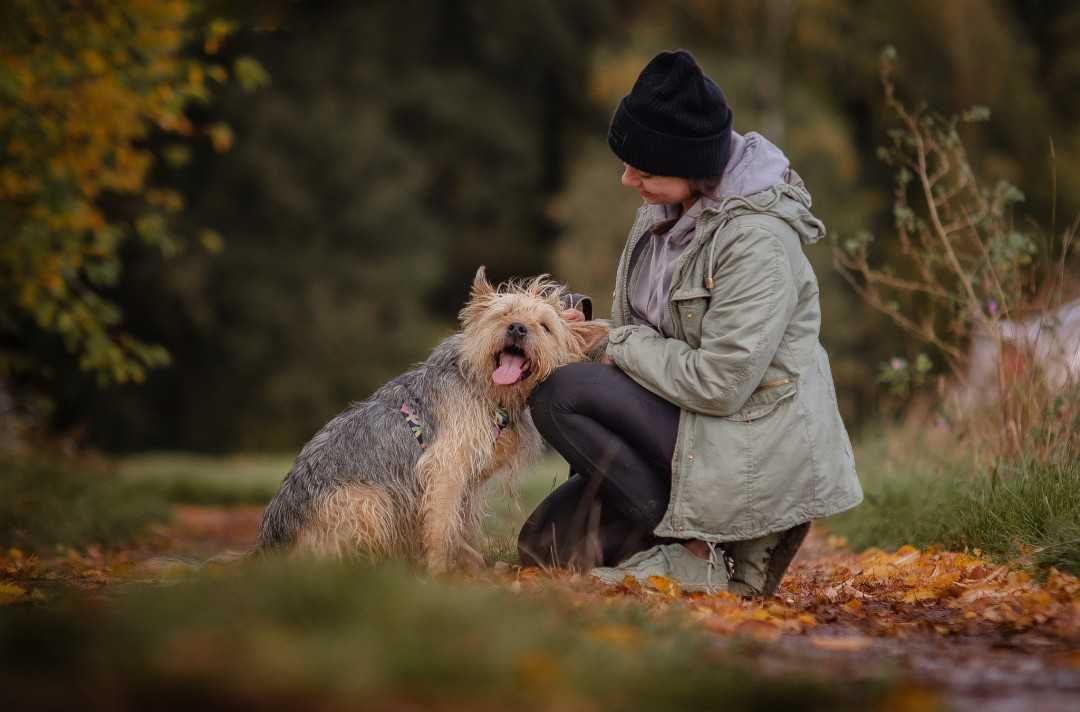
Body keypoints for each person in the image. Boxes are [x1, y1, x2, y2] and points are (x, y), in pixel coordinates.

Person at [516, 49, 863, 596]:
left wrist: (617, 343)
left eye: (645, 169)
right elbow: (644, 335)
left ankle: (712, 551)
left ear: (693, 164)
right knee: (544, 548)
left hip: (739, 441)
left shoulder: (757, 241)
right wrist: (588, 334)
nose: (628, 179)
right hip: (682, 428)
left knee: (562, 394)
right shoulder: (662, 213)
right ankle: (675, 537)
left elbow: (722, 383)